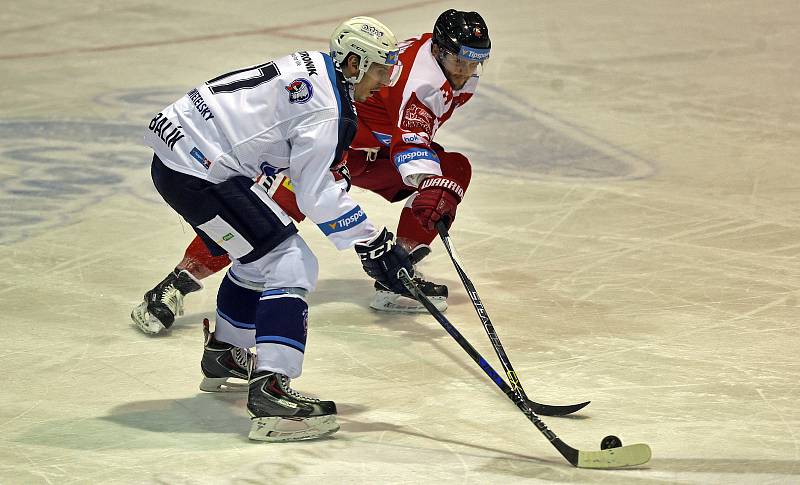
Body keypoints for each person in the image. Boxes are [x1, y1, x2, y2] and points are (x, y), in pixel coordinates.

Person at [131, 9, 491, 333]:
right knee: (269, 214)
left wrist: (434, 182)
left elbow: (405, 134)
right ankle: (176, 283)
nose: (466, 70)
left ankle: (398, 275)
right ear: (441, 51)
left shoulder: (453, 71)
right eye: (460, 60)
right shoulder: (421, 83)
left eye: (475, 63)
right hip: (329, 144)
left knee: (454, 169)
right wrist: (428, 184)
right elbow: (410, 139)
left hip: (370, 150)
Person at [143, 16, 412, 442]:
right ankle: (271, 392)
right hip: (199, 172)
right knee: (291, 262)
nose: (384, 83)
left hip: (182, 159)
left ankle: (226, 354)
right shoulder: (329, 108)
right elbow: (313, 194)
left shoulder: (317, 68)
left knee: (259, 257)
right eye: (381, 70)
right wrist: (374, 243)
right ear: (356, 63)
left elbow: (284, 145)